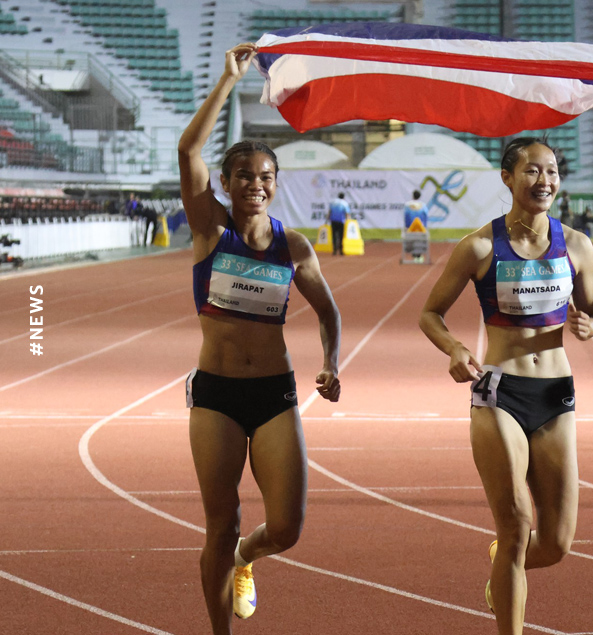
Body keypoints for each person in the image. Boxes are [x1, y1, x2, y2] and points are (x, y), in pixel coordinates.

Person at [178, 42, 342, 634]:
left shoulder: (293, 247)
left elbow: (328, 311)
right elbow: (188, 150)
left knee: (288, 527)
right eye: (244, 175)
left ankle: (249, 558)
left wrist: (332, 362)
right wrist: (228, 81)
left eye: (265, 177)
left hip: (275, 393)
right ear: (224, 182)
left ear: (276, 185)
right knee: (219, 525)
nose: (255, 183)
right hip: (217, 395)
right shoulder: (208, 229)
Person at [418, 137, 593, 635]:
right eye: (532, 171)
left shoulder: (577, 246)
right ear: (507, 178)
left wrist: (590, 326)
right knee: (517, 522)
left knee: (557, 543)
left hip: (556, 394)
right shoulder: (480, 247)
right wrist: (455, 348)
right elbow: (430, 313)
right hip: (499, 391)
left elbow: (592, 313)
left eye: (552, 171)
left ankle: (505, 566)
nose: (545, 180)